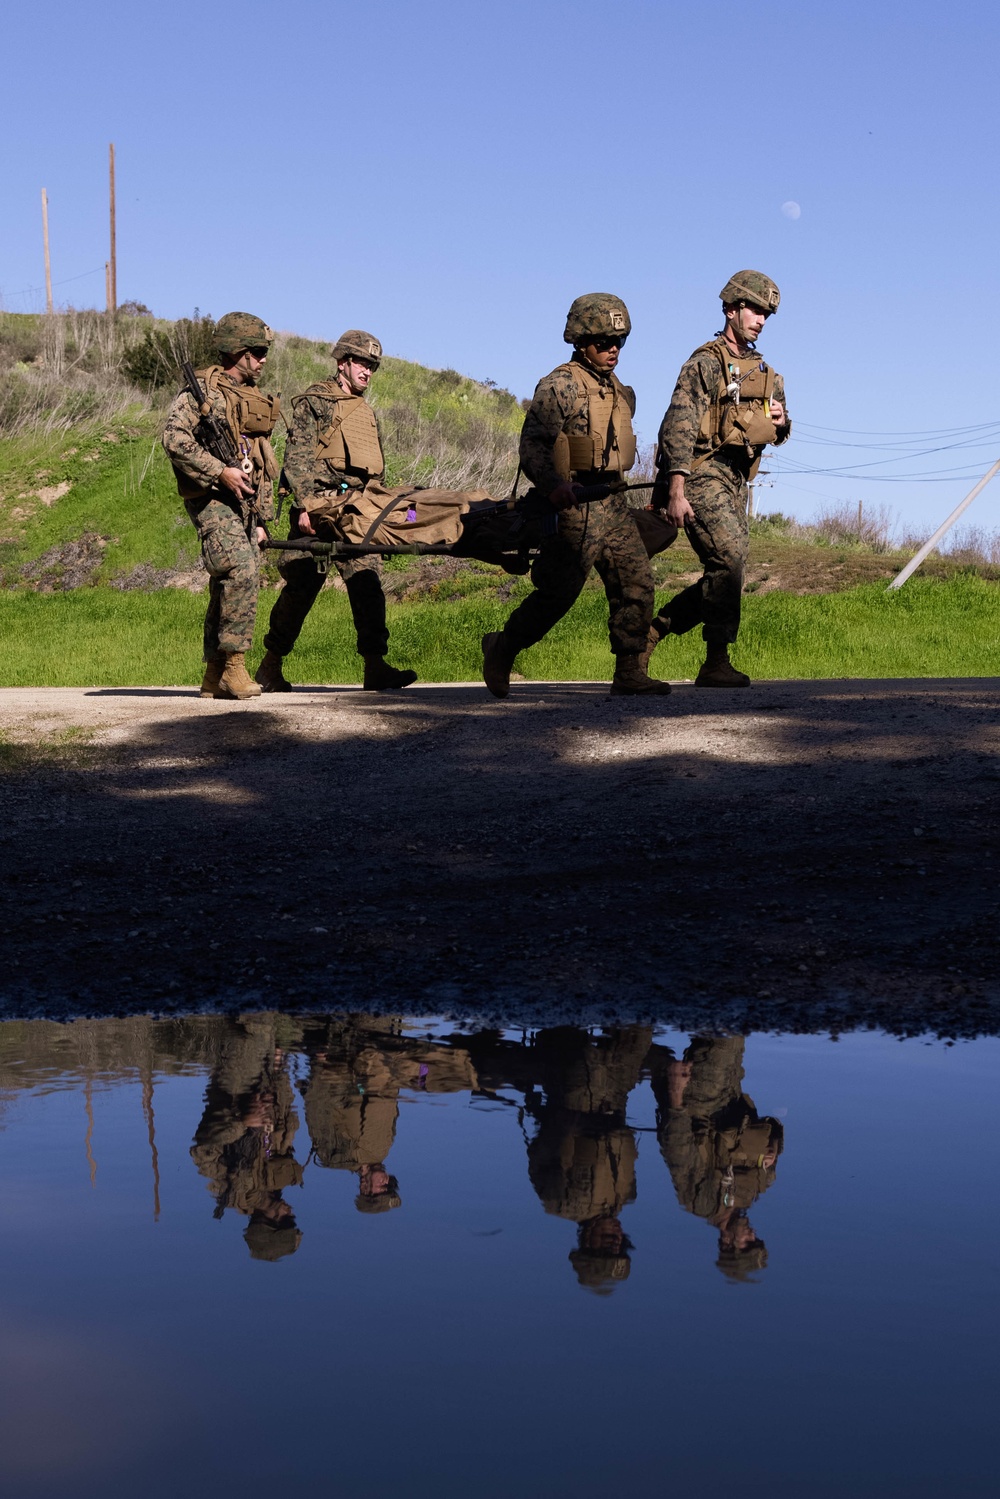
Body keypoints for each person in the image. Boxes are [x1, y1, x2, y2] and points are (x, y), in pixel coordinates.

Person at [481, 294, 670, 698]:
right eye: (603, 341)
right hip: (574, 505)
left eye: (619, 340)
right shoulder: (561, 384)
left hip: (614, 502)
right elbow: (532, 445)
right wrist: (555, 486)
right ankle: (503, 646)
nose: (613, 349)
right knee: (558, 593)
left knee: (636, 583)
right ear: (580, 340)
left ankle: (629, 671)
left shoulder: (618, 388)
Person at [647, 271, 791, 687]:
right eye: (755, 310)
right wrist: (675, 488)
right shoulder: (704, 363)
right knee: (727, 560)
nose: (761, 320)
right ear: (731, 309)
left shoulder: (767, 373)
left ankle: (655, 631)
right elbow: (677, 426)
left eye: (767, 314)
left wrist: (781, 422)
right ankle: (714, 658)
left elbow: (780, 430)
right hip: (699, 471)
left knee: (728, 568)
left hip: (736, 478)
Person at [255, 330, 418, 692]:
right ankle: (270, 665)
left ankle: (375, 667)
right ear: (342, 363)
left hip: (357, 510)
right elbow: (296, 461)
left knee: (368, 583)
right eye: (362, 363)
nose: (368, 372)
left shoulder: (366, 412)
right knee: (302, 588)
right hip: (318, 509)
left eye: (373, 366)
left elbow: (374, 468)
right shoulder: (316, 402)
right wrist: (304, 507)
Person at [162, 312, 280, 700]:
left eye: (264, 352)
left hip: (243, 504)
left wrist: (261, 517)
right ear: (238, 352)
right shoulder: (203, 393)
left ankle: (213, 675)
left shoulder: (248, 397)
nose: (263, 359)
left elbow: (259, 459)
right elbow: (174, 439)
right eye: (257, 352)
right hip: (212, 497)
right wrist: (219, 472)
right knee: (239, 570)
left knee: (227, 583)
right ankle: (235, 665)